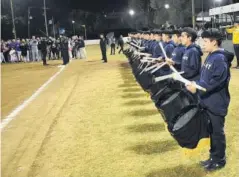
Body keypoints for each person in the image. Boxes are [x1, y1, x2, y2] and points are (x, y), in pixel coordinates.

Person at [186, 28, 233, 171]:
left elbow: (216, 81)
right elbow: (205, 77)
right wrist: (197, 84)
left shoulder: (219, 58)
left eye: (205, 41)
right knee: (212, 131)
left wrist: (198, 86)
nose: (202, 43)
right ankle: (213, 157)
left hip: (217, 103)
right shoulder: (211, 55)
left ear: (214, 42)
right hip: (208, 101)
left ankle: (219, 160)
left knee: (217, 132)